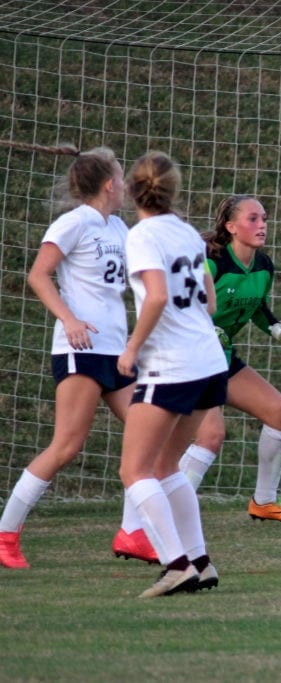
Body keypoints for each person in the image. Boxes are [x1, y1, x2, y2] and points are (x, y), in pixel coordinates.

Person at [0, 144, 134, 570]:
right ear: (110, 184)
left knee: (151, 433)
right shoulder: (73, 223)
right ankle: (6, 533)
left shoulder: (119, 229)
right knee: (66, 446)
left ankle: (135, 533)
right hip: (81, 349)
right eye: (122, 175)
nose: (127, 183)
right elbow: (38, 275)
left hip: (116, 349)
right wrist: (70, 319)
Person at [118, 151, 229, 597]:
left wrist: (131, 348)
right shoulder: (186, 232)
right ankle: (200, 561)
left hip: (173, 366)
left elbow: (157, 297)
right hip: (209, 362)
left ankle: (176, 564)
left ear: (132, 192)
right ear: (173, 189)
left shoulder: (142, 235)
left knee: (135, 469)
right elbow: (210, 301)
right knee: (166, 466)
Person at [176, 194, 281, 522]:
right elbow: (183, 306)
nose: (262, 224)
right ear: (231, 227)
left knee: (279, 413)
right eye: (253, 219)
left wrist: (279, 330)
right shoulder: (211, 262)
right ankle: (169, 512)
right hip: (190, 356)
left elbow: (256, 306)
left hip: (222, 357)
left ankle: (263, 502)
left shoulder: (263, 265)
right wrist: (208, 330)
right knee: (211, 435)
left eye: (264, 218)